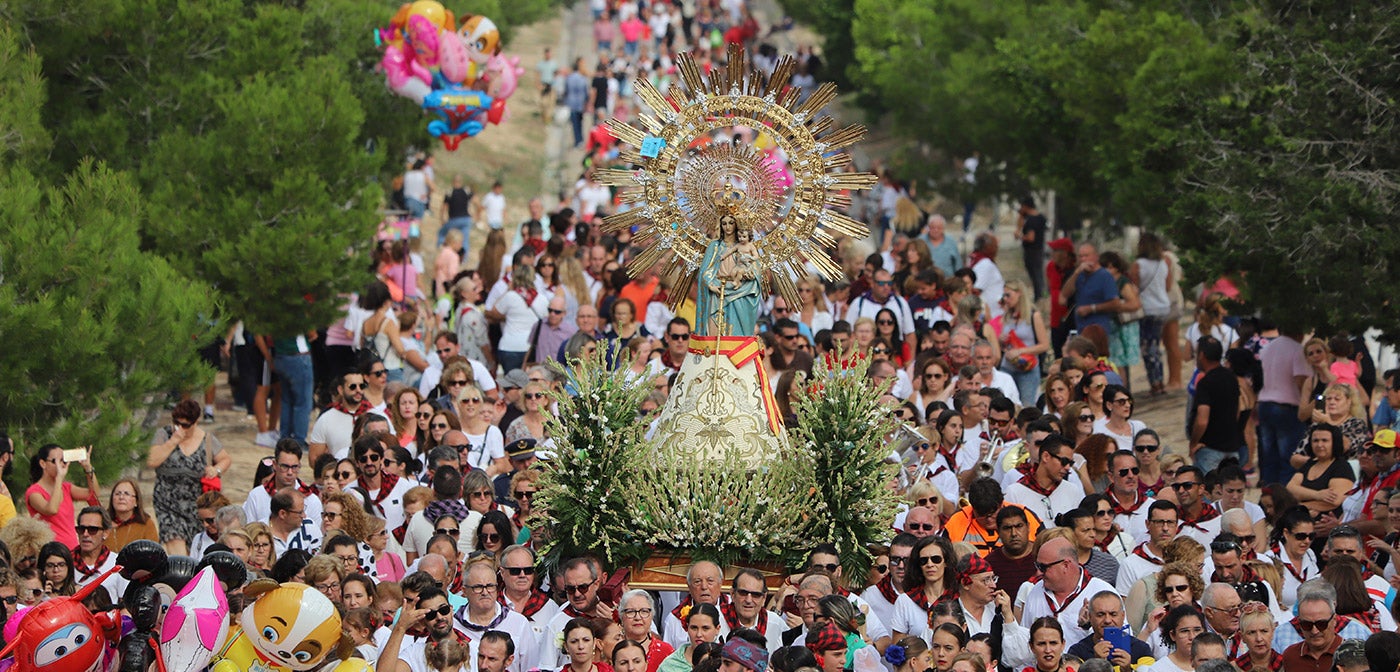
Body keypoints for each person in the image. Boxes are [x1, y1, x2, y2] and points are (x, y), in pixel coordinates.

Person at [145, 400, 226, 555]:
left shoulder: (207, 439)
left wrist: (216, 470)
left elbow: (225, 459)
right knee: (175, 541)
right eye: (177, 423)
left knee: (194, 547)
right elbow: (152, 460)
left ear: (195, 423)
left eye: (185, 425)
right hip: (167, 502)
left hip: (195, 505)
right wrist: (174, 440)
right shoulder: (164, 434)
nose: (180, 428)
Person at [699, 214, 763, 337]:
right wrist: (710, 284)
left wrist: (751, 274)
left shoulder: (746, 246)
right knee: (715, 334)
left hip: (740, 291)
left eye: (731, 223)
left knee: (737, 333)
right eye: (724, 223)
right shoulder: (715, 246)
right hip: (718, 289)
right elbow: (706, 270)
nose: (728, 227)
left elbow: (756, 267)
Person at [1189, 336, 1240, 472]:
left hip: (1210, 448)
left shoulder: (1206, 383)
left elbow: (1202, 420)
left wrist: (1193, 443)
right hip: (1232, 447)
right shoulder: (1231, 378)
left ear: (1202, 355)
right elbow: (1237, 411)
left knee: (1208, 490)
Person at [891, 536, 956, 641]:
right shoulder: (905, 601)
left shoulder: (957, 598)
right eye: (923, 561)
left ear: (946, 562)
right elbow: (897, 645)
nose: (930, 564)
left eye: (936, 559)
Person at [1287, 424, 1355, 519]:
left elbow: (1334, 501)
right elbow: (1290, 489)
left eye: (1324, 440)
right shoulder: (1309, 464)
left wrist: (1301, 506)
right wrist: (1318, 495)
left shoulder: (1341, 466)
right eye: (1315, 441)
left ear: (1334, 443)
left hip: (1329, 523)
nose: (1319, 445)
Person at [1066, 591, 1151, 667]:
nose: (1107, 620)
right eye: (1100, 615)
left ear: (1123, 616)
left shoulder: (1141, 649)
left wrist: (1128, 670)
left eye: (1113, 614)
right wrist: (1096, 663)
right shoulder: (1078, 652)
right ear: (1090, 617)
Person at [1280, 582, 1344, 671]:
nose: (1315, 631)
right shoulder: (1291, 656)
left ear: (1334, 620)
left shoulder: (1352, 656)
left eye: (1321, 624)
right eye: (1307, 625)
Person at [1061, 243, 1119, 335]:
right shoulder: (1079, 275)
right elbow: (1064, 294)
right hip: (1081, 328)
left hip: (1099, 329)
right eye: (1080, 256)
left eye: (1086, 256)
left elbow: (1115, 303)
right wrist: (1076, 273)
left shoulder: (1105, 276)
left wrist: (1091, 308)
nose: (1083, 259)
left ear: (1096, 257)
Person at [105, 477, 158, 551]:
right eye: (117, 494)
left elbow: (154, 553)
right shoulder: (102, 523)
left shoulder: (146, 524)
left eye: (126, 494)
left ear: (136, 501)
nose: (121, 497)